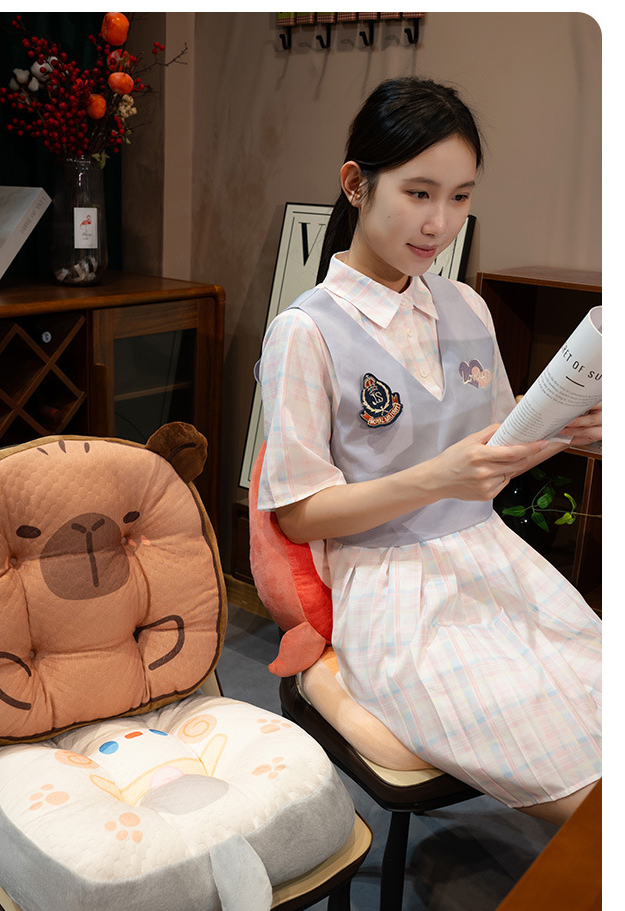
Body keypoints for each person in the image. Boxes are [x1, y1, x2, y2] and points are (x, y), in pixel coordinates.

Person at [256, 77, 601, 827]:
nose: (439, 223)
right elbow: (298, 515)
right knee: (588, 801)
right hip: (392, 590)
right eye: (418, 193)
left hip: (493, 560)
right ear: (356, 184)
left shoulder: (467, 306)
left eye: (459, 197)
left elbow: (498, 449)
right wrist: (435, 477)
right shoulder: (305, 333)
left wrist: (569, 426)